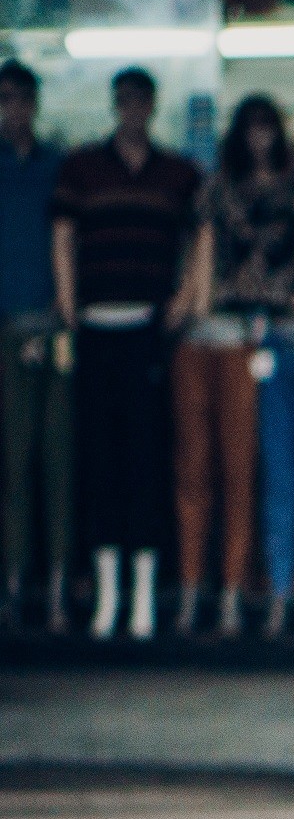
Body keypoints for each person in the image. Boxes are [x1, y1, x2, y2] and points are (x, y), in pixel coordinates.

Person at [52, 66, 201, 642]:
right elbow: (62, 234)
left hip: (147, 330)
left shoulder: (177, 173)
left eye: (140, 101)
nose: (130, 111)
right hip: (94, 325)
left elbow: (200, 237)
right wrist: (67, 298)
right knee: (100, 460)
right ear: (114, 107)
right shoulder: (82, 168)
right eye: (123, 101)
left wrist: (186, 297)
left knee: (145, 459)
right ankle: (106, 592)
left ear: (152, 108)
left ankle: (141, 595)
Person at [176, 94, 294, 637]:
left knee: (252, 470)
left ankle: (241, 589)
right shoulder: (218, 186)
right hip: (225, 326)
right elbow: (206, 245)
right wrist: (199, 301)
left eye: (268, 127)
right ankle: (199, 590)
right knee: (201, 468)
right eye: (252, 127)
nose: (260, 138)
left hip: (279, 329)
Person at [0, 59, 67, 630]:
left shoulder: (55, 169)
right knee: (11, 459)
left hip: (47, 323)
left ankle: (52, 583)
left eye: (20, 99)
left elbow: (64, 244)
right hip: (3, 327)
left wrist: (56, 313)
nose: (12, 111)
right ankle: (14, 580)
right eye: (4, 100)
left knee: (52, 458)